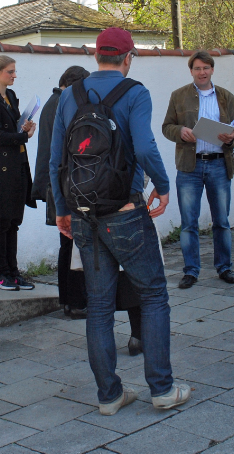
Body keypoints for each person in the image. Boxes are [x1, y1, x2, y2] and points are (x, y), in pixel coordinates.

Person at [50, 27, 191, 415]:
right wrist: (163, 185)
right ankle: (162, 388)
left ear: (98, 55)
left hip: (82, 213)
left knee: (98, 304)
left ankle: (109, 395)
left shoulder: (70, 95)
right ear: (127, 58)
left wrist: (62, 208)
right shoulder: (134, 92)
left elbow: (55, 159)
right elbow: (144, 145)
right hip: (125, 211)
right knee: (153, 294)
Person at [162, 51, 234, 288]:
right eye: (197, 68)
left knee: (222, 221)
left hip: (219, 163)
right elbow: (167, 126)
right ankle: (191, 271)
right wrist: (180, 132)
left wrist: (231, 138)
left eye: (206, 68)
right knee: (189, 222)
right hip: (190, 166)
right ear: (191, 71)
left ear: (212, 70)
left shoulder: (226, 97)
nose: (202, 72)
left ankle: (225, 267)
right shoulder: (178, 96)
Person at [33, 65, 90, 318]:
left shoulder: (52, 102)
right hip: (65, 184)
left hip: (57, 183)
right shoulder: (63, 104)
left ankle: (68, 300)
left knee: (67, 244)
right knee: (74, 244)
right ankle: (76, 302)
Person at [0, 55, 37, 291]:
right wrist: (24, 136)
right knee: (2, 222)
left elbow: (13, 126)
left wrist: (26, 125)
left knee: (13, 222)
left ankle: (13, 271)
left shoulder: (10, 96)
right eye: (10, 72)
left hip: (16, 165)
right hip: (0, 171)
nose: (14, 76)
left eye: (14, 72)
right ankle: (1, 273)